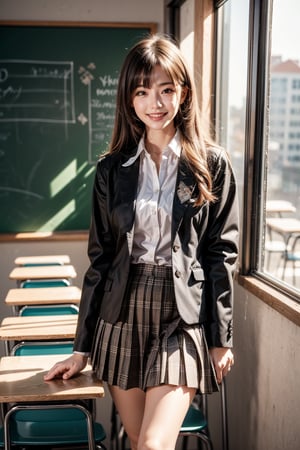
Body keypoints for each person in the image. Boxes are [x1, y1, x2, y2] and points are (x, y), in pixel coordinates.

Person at [45, 33, 239, 450]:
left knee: (153, 444)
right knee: (137, 440)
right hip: (121, 313)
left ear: (183, 94)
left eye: (167, 89)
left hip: (181, 316)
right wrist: (80, 349)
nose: (156, 102)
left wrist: (222, 336)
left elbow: (221, 252)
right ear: (129, 100)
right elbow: (99, 261)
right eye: (143, 91)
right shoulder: (111, 170)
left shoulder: (212, 165)